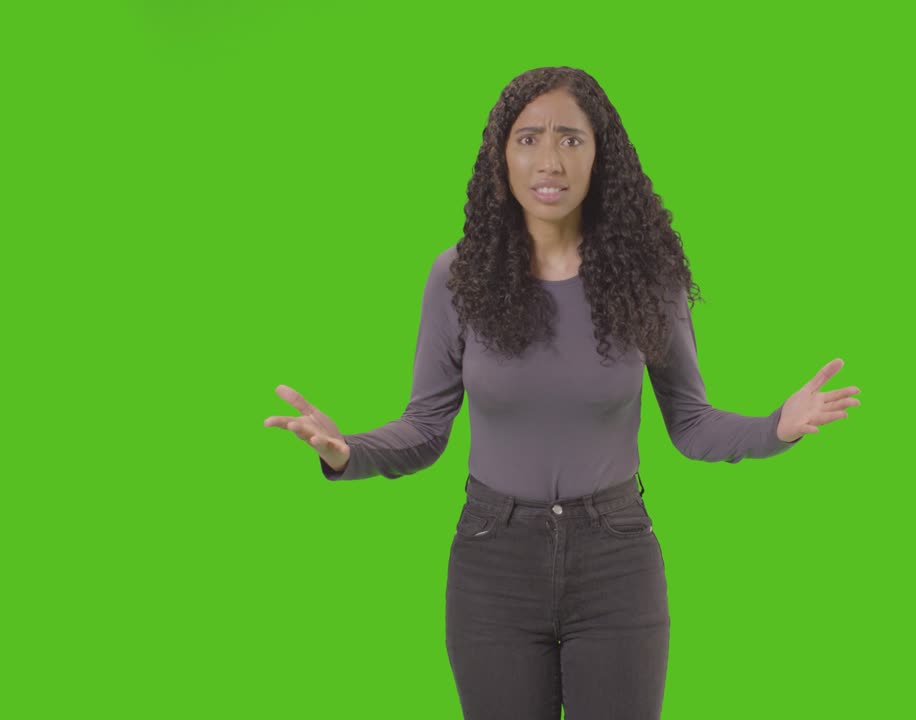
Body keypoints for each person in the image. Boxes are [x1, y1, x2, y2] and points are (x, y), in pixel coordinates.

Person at [264, 66, 860, 720]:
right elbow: (426, 427)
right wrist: (349, 452)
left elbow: (691, 422)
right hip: (493, 563)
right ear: (502, 156)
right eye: (530, 139)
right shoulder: (457, 276)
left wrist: (776, 427)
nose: (550, 160)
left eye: (571, 139)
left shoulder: (647, 277)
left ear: (601, 155)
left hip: (615, 562)